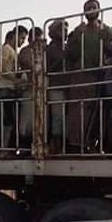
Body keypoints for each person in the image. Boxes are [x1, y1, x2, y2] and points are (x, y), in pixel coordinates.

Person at [66, 0, 112, 153]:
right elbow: (69, 54)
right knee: (77, 111)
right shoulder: (79, 31)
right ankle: (75, 144)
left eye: (93, 7)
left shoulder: (106, 30)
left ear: (99, 10)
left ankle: (92, 144)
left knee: (96, 110)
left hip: (99, 75)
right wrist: (76, 38)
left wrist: (104, 39)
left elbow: (111, 51)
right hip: (80, 75)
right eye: (87, 8)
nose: (90, 10)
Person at [0, 26, 28, 151]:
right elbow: (2, 69)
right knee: (7, 120)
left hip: (8, 88)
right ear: (15, 35)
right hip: (4, 88)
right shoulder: (7, 49)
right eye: (22, 38)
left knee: (3, 120)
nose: (23, 41)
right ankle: (2, 149)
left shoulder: (12, 51)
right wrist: (17, 79)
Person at [46, 19, 69, 152]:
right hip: (55, 85)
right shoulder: (50, 49)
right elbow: (48, 68)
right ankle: (56, 145)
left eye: (66, 29)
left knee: (64, 117)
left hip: (66, 85)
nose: (65, 32)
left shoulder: (66, 47)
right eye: (61, 29)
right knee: (57, 117)